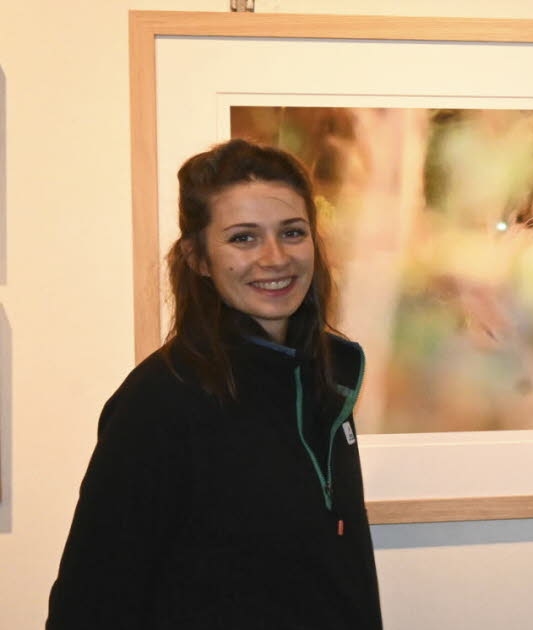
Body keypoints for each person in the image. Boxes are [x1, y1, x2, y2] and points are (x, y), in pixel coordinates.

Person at [47, 139, 383, 629]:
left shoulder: (327, 378)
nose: (275, 258)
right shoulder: (159, 400)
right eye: (243, 238)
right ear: (198, 258)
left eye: (292, 232)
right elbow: (92, 598)